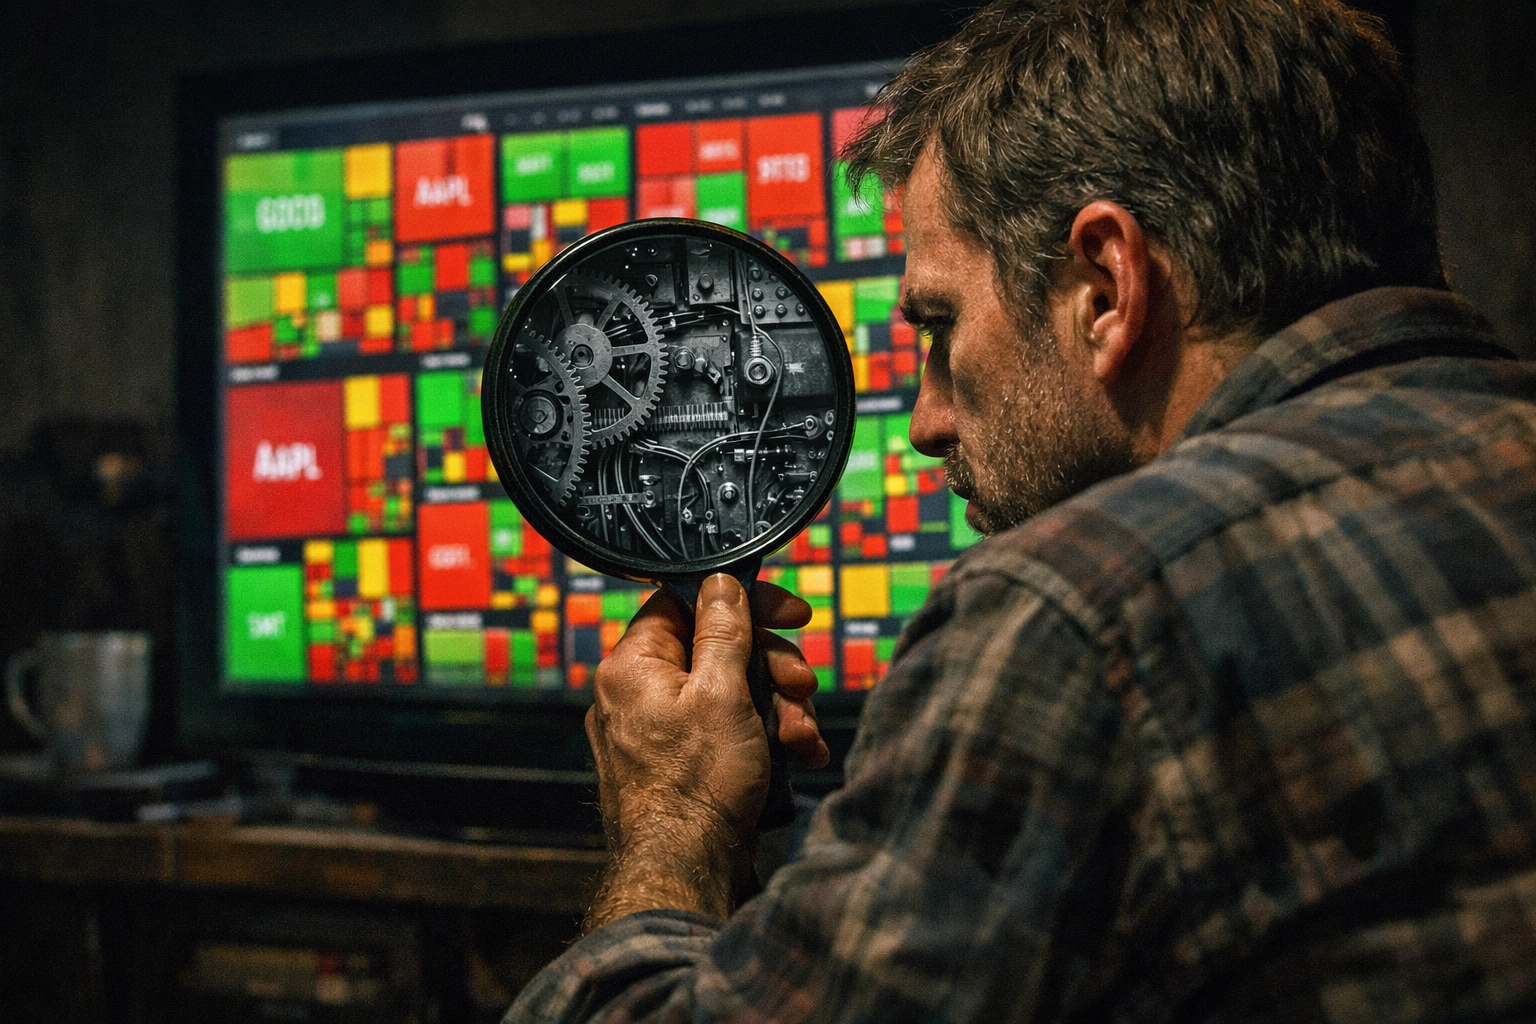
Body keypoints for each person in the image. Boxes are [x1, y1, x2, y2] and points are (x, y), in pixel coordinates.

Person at [508, 0, 1536, 1020]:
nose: (924, 421)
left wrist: (675, 822)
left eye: (941, 325)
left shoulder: (1080, 617)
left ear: (1106, 286)